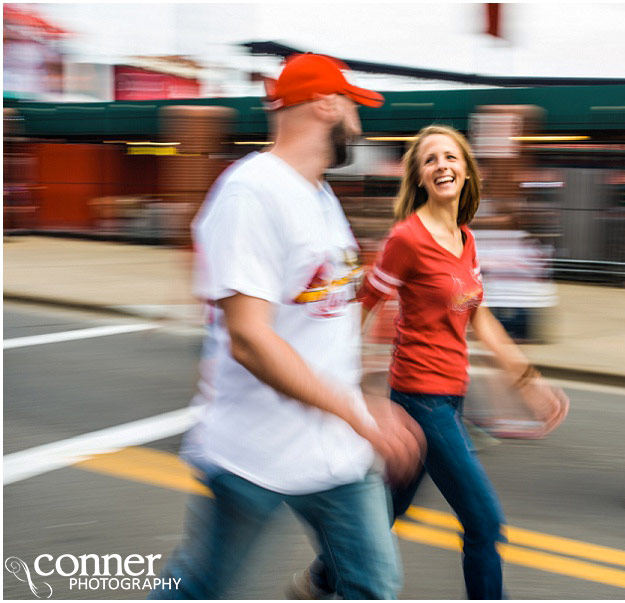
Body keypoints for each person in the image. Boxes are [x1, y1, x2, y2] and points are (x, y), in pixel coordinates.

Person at [149, 54, 425, 600]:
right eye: (353, 106)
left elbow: (326, 314)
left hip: (336, 452)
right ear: (326, 105)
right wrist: (356, 412)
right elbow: (251, 339)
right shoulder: (251, 193)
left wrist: (367, 397)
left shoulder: (320, 195)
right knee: (200, 587)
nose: (359, 123)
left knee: (372, 587)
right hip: (253, 452)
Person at [291, 125, 569, 600]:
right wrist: (341, 388)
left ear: (465, 169)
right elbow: (360, 308)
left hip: (452, 395)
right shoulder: (407, 239)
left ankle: (325, 575)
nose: (442, 165)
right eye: (431, 160)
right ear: (420, 176)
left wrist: (529, 381)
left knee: (388, 509)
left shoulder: (466, 238)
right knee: (484, 522)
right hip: (421, 399)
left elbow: (481, 319)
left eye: (451, 157)